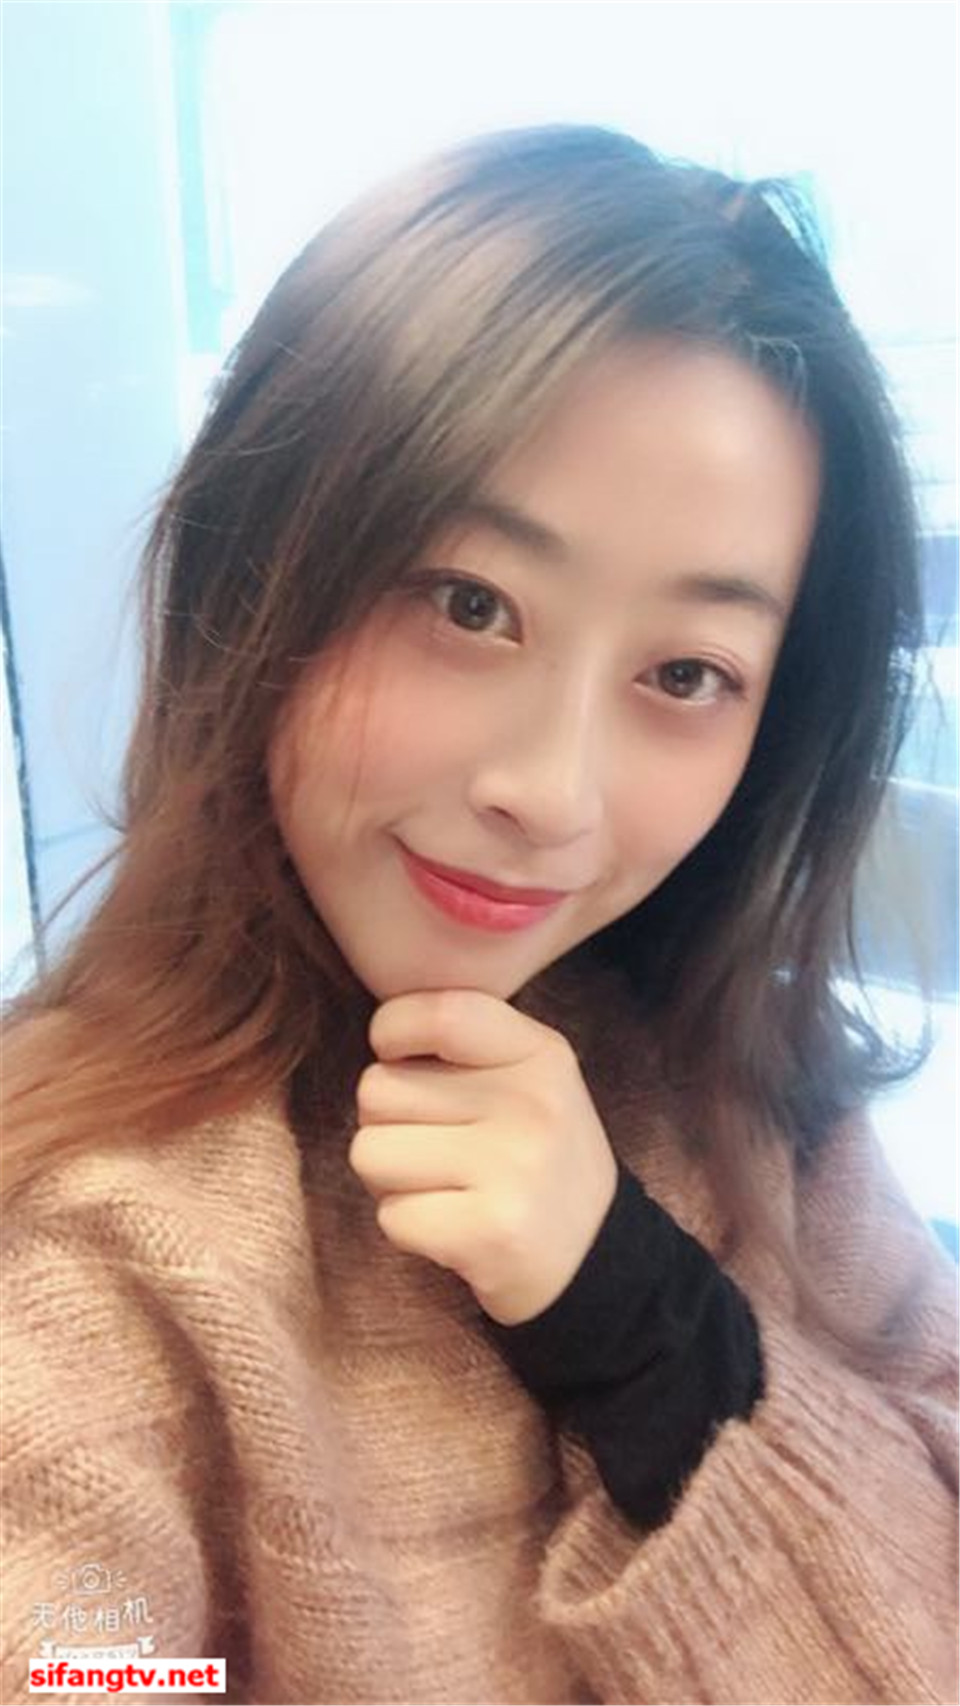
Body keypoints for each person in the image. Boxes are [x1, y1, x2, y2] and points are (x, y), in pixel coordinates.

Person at [2, 123, 957, 1706]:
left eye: (686, 672)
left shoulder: (760, 1098)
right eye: (470, 603)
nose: (552, 792)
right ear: (264, 570)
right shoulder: (86, 1247)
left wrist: (656, 1341)